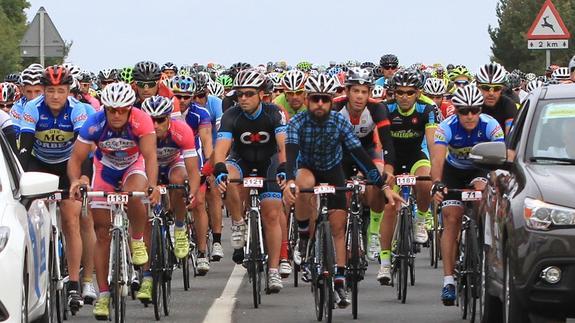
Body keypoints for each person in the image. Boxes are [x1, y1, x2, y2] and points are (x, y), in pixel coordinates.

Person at [283, 73, 402, 309]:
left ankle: (339, 278)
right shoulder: (297, 122)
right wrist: (289, 181)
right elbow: (291, 153)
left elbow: (361, 156)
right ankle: (305, 236)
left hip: (333, 169)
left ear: (330, 101)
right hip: (308, 167)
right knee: (304, 182)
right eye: (315, 99)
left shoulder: (339, 122)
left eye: (324, 100)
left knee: (338, 226)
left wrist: (384, 187)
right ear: (307, 100)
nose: (319, 104)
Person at [67, 82, 160, 320]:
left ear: (130, 109)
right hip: (105, 169)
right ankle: (104, 294)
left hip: (132, 166)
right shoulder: (95, 122)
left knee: (136, 193)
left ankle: (137, 239)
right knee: (102, 233)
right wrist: (76, 181)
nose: (116, 114)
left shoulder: (142, 121)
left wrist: (153, 186)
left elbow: (150, 157)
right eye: (111, 110)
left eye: (122, 110)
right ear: (105, 109)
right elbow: (76, 159)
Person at [19, 65, 90, 312]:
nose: (56, 96)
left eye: (61, 90)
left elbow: (84, 151)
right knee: (33, 219)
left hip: (68, 166)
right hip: (40, 165)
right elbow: (24, 150)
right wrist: (23, 183)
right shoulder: (32, 108)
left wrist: (82, 179)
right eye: (50, 91)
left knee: (71, 220)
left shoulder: (78, 110)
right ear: (44, 91)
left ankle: (73, 284)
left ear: (68, 90)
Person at [213, 69, 287, 293]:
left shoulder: (275, 113)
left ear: (262, 94)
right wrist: (219, 170)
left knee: (272, 214)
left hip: (269, 161)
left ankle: (274, 271)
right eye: (239, 94)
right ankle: (238, 222)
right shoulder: (231, 115)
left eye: (249, 94)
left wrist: (284, 167)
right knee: (228, 173)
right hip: (241, 159)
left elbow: (283, 146)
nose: (243, 98)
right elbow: (221, 150)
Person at [430, 84, 505, 306]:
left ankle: (483, 249)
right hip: (453, 172)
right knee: (451, 217)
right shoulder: (446, 127)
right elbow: (437, 160)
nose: (470, 116)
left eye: (474, 110)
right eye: (464, 111)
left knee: (483, 196)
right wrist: (437, 184)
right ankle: (449, 281)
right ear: (457, 110)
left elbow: (498, 161)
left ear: (480, 110)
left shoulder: (491, 126)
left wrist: (493, 183)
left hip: (480, 169)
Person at [376, 68, 440, 285]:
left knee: (425, 182)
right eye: (400, 92)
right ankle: (385, 262)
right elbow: (380, 143)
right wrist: (386, 170)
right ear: (393, 92)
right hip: (392, 158)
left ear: (418, 93)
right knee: (390, 207)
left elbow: (432, 143)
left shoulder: (427, 109)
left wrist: (437, 170)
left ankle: (420, 221)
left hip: (416, 155)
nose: (404, 97)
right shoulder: (385, 108)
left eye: (409, 93)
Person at [331, 67, 396, 261]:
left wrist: (390, 170)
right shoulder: (335, 107)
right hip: (340, 152)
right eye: (355, 91)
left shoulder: (377, 108)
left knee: (379, 178)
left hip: (368, 150)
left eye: (364, 91)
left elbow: (387, 142)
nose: (360, 96)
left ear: (369, 93)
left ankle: (373, 232)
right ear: (347, 91)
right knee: (340, 193)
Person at [141, 95, 202, 271]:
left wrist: (192, 192)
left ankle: (180, 227)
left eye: (160, 120)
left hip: (172, 164)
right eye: (150, 120)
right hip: (147, 166)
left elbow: (192, 170)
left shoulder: (182, 130)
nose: (155, 125)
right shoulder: (139, 132)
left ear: (169, 118)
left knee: (179, 181)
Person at [475, 63, 517, 134]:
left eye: (496, 88)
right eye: (486, 88)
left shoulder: (509, 105)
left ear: (502, 89)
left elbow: (509, 138)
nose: (491, 93)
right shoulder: (472, 105)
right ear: (478, 87)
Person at [10, 64, 44, 136]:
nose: (33, 97)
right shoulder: (18, 107)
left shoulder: (55, 104)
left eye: (37, 91)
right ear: (22, 90)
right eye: (29, 92)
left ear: (45, 89)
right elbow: (14, 134)